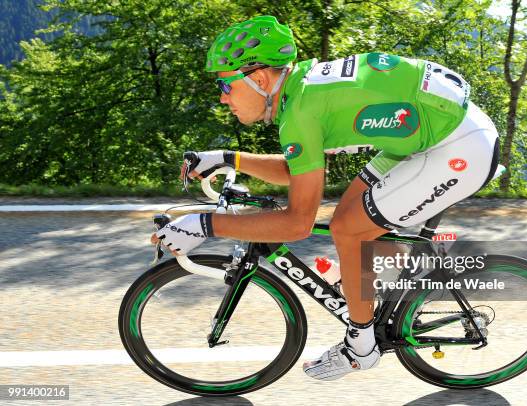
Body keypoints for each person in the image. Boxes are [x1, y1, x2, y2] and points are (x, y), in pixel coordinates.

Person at [151, 15, 500, 381]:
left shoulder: (302, 111)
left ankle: (361, 346)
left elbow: (297, 223)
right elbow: (297, 170)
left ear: (258, 79)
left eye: (225, 85)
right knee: (347, 218)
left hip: (457, 148)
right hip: (430, 132)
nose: (222, 99)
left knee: (349, 231)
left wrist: (203, 224)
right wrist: (227, 158)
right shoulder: (300, 90)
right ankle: (375, 284)